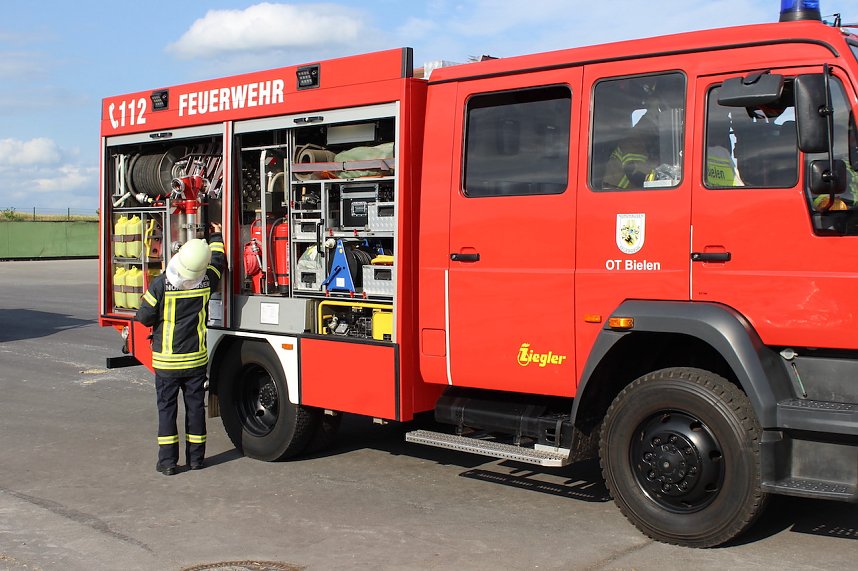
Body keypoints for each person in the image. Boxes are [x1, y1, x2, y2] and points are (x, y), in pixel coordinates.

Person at [136, 223, 225, 475]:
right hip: (195, 362)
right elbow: (218, 262)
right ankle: (196, 459)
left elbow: (144, 317)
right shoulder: (207, 282)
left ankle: (168, 463)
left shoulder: (160, 284)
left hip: (167, 363)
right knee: (195, 410)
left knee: (167, 411)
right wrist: (216, 236)